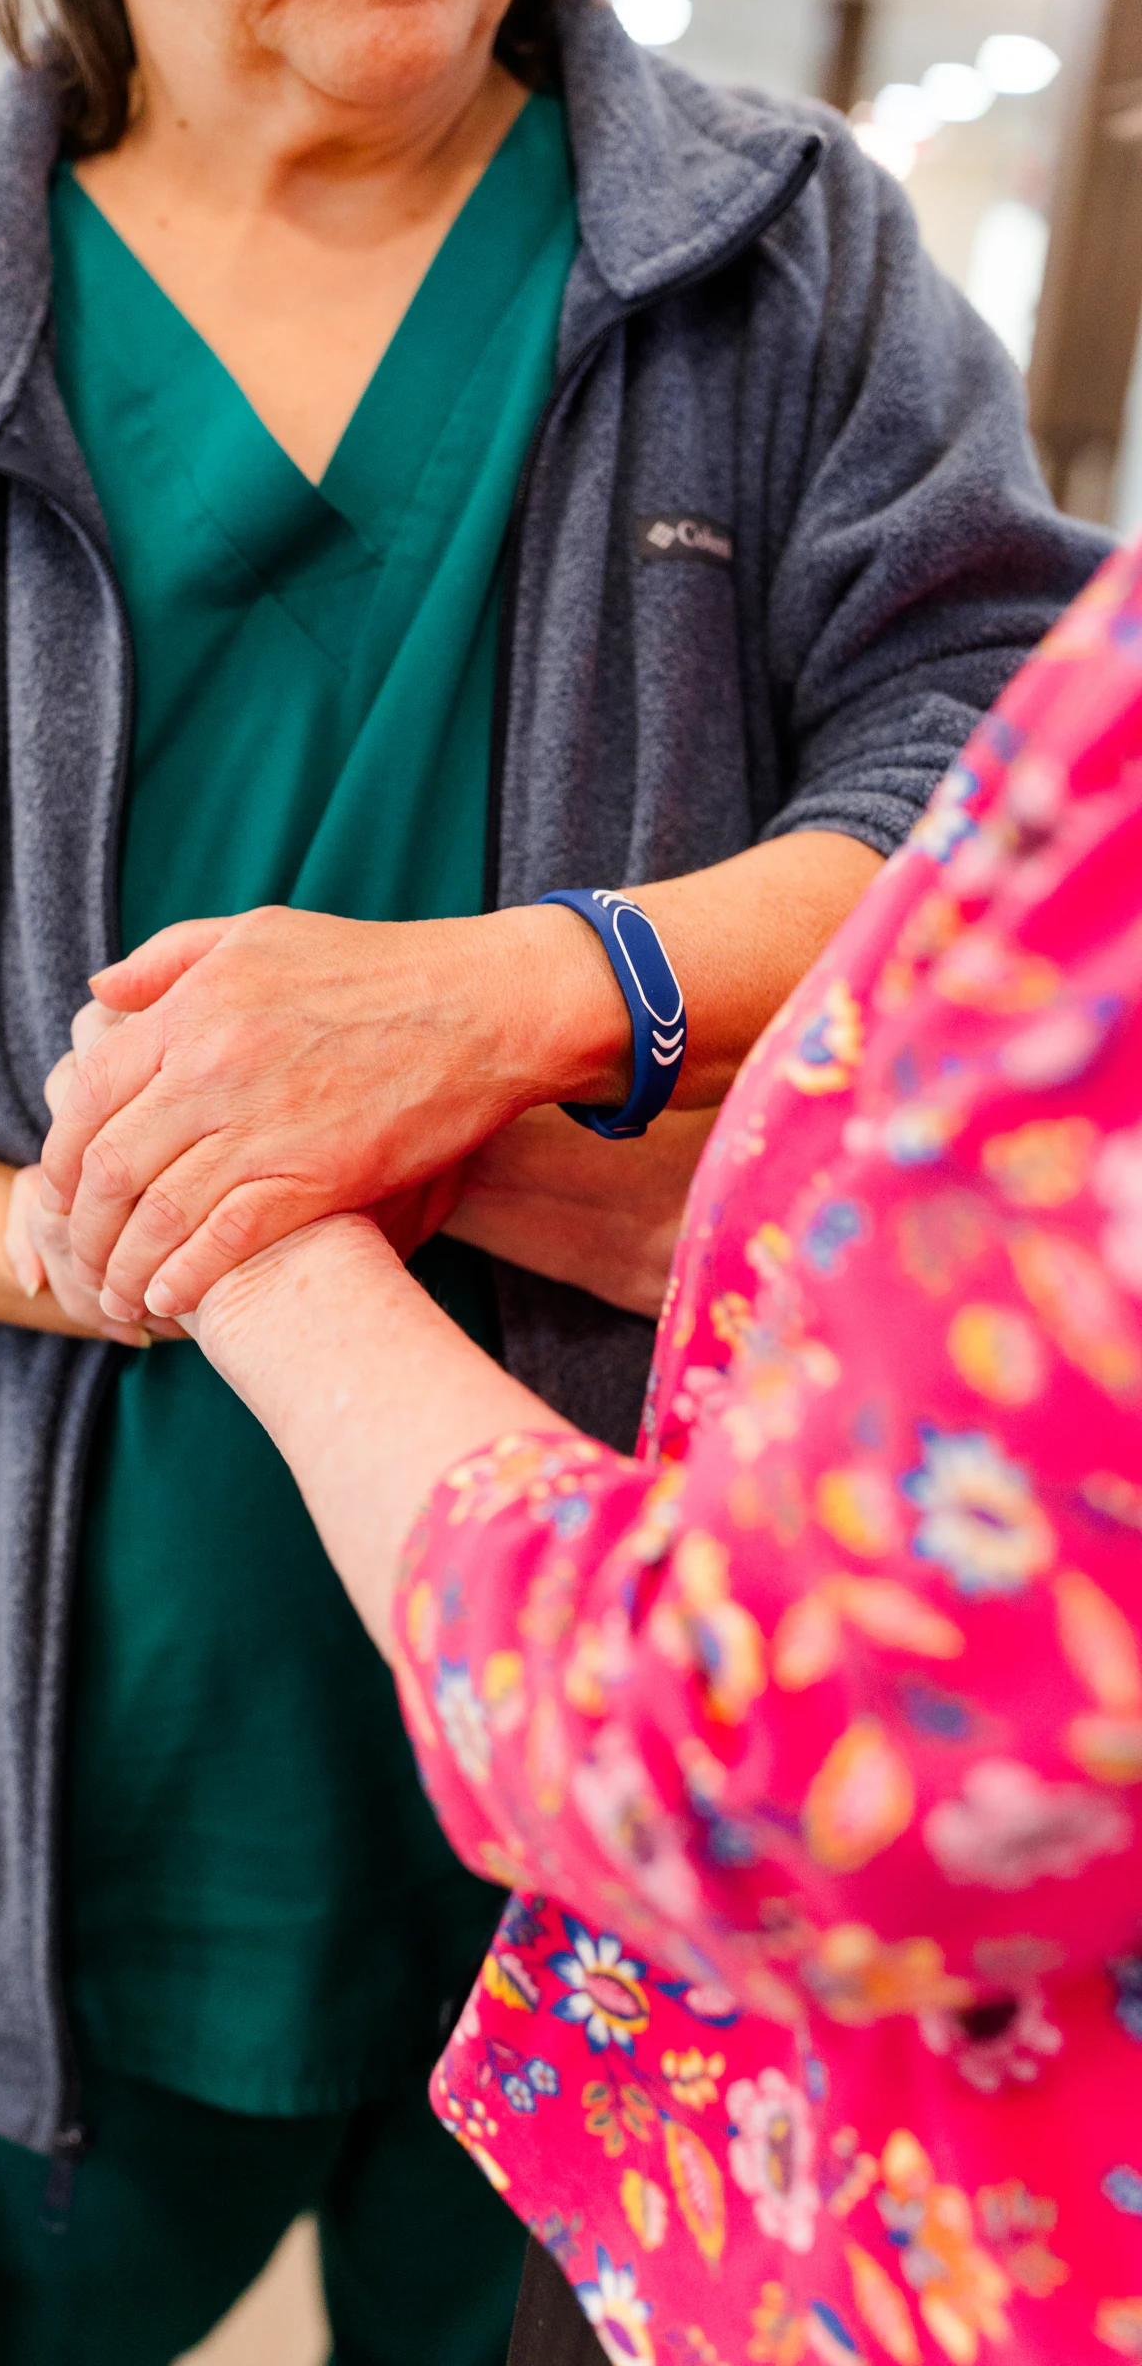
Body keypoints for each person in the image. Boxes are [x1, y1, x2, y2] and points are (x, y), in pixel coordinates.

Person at [0, 0, 1104, 2355]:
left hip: (637, 1817)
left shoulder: (778, 264)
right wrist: (123, 1234)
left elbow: (1002, 783)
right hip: (21, 1803)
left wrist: (534, 992)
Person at [181, 535, 1142, 2365]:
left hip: (908, 2239)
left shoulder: (809, 284)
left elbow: (775, 1739)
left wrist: (262, 1251)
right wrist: (600, 1186)